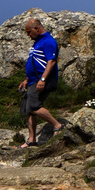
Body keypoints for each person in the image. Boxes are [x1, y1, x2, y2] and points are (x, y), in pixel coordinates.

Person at [19, 18, 64, 148]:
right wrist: (27, 79)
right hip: (33, 80)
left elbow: (51, 62)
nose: (28, 35)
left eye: (29, 32)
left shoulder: (48, 42)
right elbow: (35, 62)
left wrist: (42, 79)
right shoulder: (37, 42)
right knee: (28, 110)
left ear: (37, 29)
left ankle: (57, 125)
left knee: (34, 106)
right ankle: (32, 140)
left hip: (43, 80)